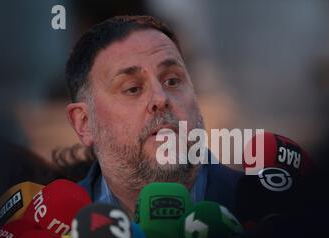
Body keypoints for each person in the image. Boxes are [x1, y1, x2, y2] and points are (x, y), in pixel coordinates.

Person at [64, 15, 242, 218]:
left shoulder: (267, 211)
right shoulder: (49, 230)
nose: (160, 98)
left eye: (173, 81)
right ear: (84, 123)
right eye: (132, 89)